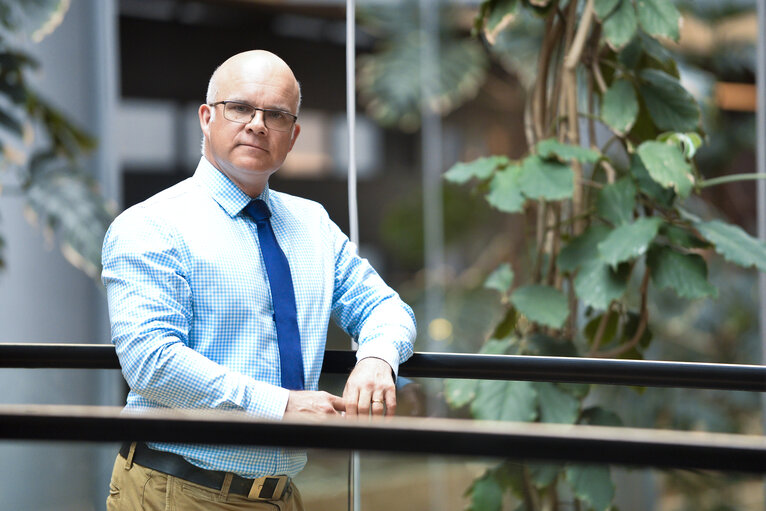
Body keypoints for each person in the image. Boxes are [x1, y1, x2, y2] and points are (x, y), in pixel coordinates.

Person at [102, 50, 416, 510]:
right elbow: (151, 361)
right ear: (207, 118)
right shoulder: (151, 224)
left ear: (294, 135)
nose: (257, 124)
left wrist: (375, 359)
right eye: (240, 108)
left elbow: (385, 308)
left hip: (282, 497)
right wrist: (283, 407)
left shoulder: (313, 225)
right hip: (177, 492)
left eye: (276, 114)